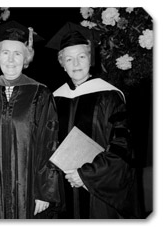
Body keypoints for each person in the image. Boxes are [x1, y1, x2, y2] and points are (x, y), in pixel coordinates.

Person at [46, 22, 141, 219]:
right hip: (64, 189)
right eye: (69, 59)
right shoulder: (54, 100)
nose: (76, 64)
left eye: (81, 56)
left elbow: (123, 146)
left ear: (91, 59)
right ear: (62, 64)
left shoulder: (109, 97)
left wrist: (85, 175)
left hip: (98, 193)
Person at [0, 20, 63, 219]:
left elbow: (49, 143)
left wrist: (44, 191)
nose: (11, 59)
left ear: (26, 58)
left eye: (18, 53)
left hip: (29, 186)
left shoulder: (40, 93)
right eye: (5, 52)